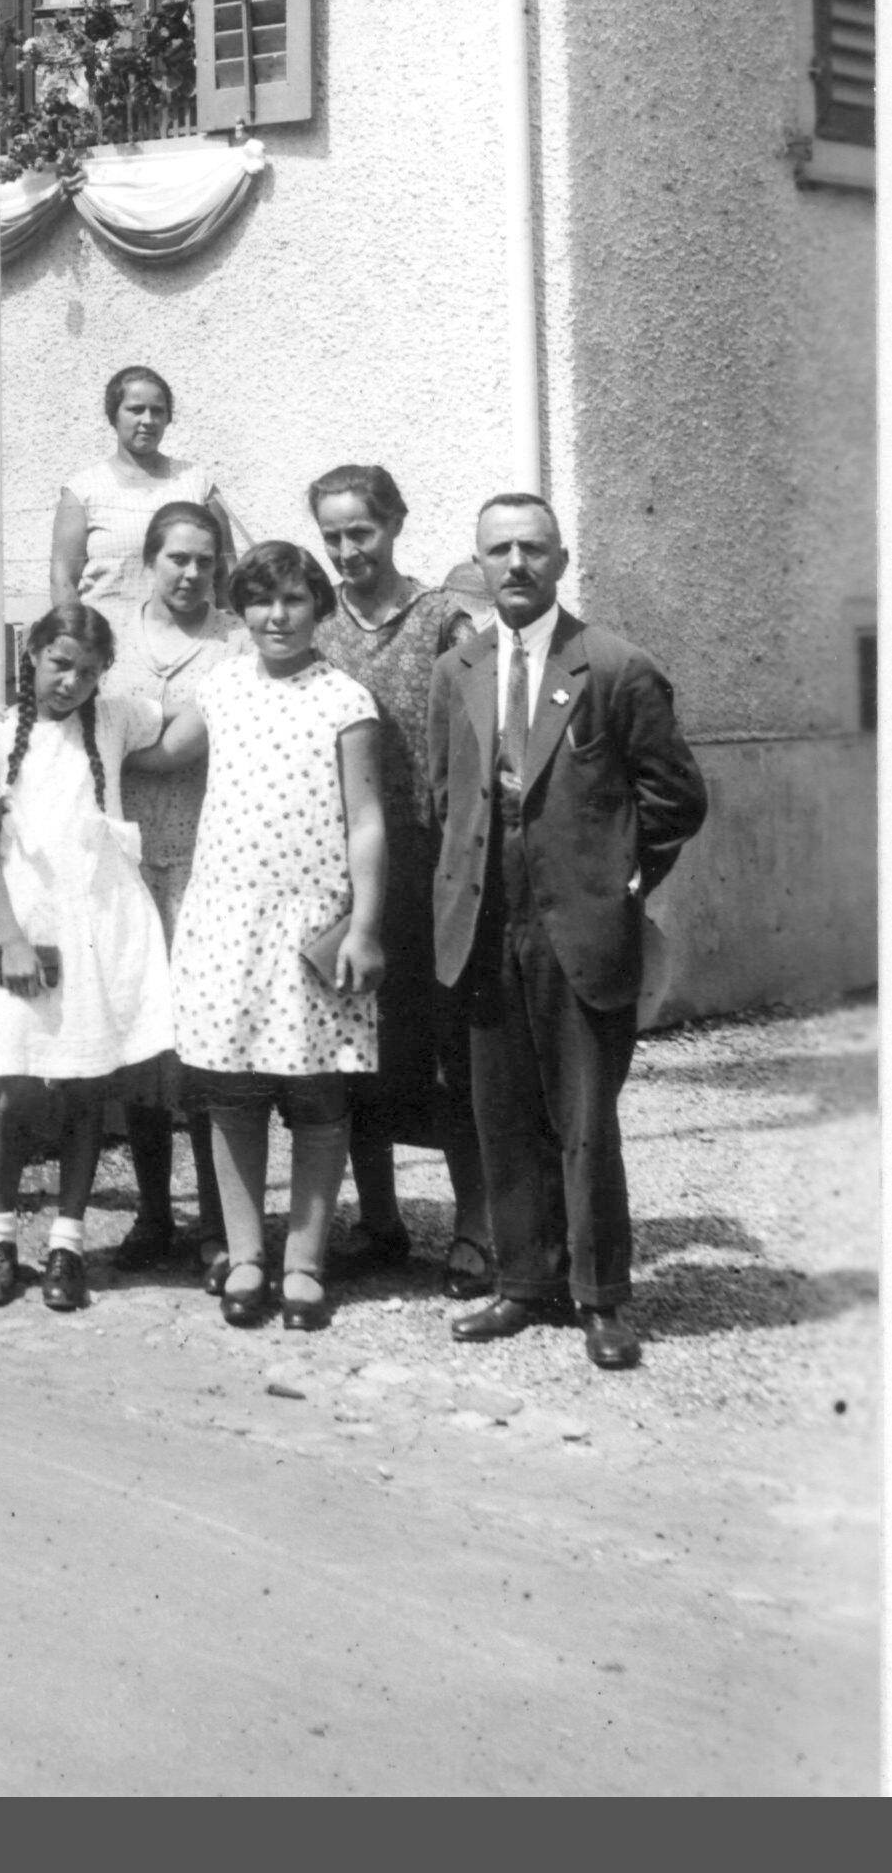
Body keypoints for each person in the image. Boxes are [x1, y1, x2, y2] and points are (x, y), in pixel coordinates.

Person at [428, 491, 709, 1373]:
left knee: (584, 1117)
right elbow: (443, 794)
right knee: (501, 1111)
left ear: (560, 560)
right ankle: (524, 1283)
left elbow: (675, 798)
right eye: (497, 549)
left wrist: (618, 877)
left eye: (532, 548)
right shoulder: (457, 668)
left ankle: (601, 1298)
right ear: (477, 563)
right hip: (484, 920)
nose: (514, 563)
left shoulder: (615, 667)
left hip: (577, 925)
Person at [165, 543, 389, 1333]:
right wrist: (43, 720)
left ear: (317, 607)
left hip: (312, 921)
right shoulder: (220, 686)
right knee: (231, 1091)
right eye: (260, 601)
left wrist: (365, 926)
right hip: (228, 917)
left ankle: (303, 1262)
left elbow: (366, 820)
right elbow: (156, 747)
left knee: (316, 1092)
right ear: (240, 610)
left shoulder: (344, 699)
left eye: (293, 600)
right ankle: (245, 1254)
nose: (277, 616)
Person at [0, 606, 178, 1314]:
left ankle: (67, 1243)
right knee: (16, 1090)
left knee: (86, 1087)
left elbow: (185, 713)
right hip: (23, 925)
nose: (71, 682)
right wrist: (12, 939)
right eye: (58, 664)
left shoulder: (112, 719)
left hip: (98, 925)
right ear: (32, 656)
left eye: (87, 671)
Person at [310, 462, 494, 1293]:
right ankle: (378, 1220)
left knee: (449, 1049)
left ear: (394, 524)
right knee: (355, 1048)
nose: (347, 550)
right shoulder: (316, 625)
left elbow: (482, 730)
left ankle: (474, 1228)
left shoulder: (441, 619)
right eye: (332, 536)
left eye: (360, 531)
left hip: (430, 859)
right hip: (343, 864)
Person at [109, 498, 239, 1274]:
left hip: (205, 862)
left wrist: (114, 738)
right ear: (148, 561)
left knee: (203, 1043)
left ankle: (219, 1223)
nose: (191, 573)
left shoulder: (236, 643)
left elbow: (175, 744)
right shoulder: (110, 636)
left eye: (204, 560)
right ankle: (153, 1214)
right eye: (176, 558)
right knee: (140, 1042)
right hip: (122, 862)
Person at [49, 365, 239, 624]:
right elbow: (63, 581)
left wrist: (231, 629)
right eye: (136, 409)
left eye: (158, 411)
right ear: (113, 416)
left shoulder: (198, 483)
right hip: (112, 639)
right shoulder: (83, 491)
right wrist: (79, 637)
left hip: (194, 637)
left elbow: (227, 572)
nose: (148, 420)